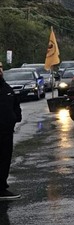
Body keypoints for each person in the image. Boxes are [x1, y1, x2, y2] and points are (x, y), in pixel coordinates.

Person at [0, 61, 22, 201]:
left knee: (5, 160)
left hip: (6, 132)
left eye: (0, 67)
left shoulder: (6, 87)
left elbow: (15, 104)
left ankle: (2, 187)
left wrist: (16, 117)